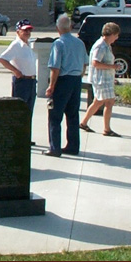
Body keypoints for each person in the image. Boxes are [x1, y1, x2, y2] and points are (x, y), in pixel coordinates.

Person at [44, 13, 89, 157]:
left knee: (55, 116)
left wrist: (51, 86)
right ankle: (73, 146)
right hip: (76, 80)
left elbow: (55, 67)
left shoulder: (58, 43)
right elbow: (84, 64)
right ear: (70, 27)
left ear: (58, 28)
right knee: (73, 115)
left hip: (63, 80)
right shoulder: (79, 43)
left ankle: (55, 148)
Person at [0, 19, 38, 144]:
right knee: (19, 111)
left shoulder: (28, 44)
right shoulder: (16, 45)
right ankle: (16, 137)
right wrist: (16, 71)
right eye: (25, 30)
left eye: (29, 30)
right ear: (18, 31)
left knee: (28, 112)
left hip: (31, 81)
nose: (28, 32)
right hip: (22, 82)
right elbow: (2, 59)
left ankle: (25, 137)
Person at [79, 22, 122, 137]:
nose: (117, 38)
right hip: (100, 79)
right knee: (109, 101)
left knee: (98, 101)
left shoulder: (107, 45)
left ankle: (83, 122)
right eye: (116, 35)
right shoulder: (100, 46)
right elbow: (95, 62)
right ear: (111, 34)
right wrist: (112, 66)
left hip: (105, 78)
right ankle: (107, 129)